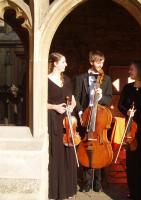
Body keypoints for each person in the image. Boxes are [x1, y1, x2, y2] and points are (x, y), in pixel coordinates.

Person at [74, 50, 112, 192]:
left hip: (99, 119)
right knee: (86, 149)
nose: (100, 64)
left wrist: (101, 97)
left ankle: (98, 183)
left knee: (99, 150)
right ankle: (86, 183)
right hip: (86, 116)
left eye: (102, 61)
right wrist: (79, 112)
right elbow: (76, 97)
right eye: (98, 61)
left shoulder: (106, 79)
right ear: (91, 62)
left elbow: (109, 98)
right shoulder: (80, 78)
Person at [118, 61, 141, 200]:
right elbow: (120, 105)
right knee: (131, 162)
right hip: (131, 130)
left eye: (132, 69)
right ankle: (132, 192)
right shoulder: (127, 88)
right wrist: (127, 111)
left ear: (140, 71)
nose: (129, 72)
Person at [47, 52, 77, 199]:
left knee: (68, 154)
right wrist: (54, 107)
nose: (66, 64)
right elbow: (38, 103)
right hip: (53, 120)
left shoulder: (67, 80)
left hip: (67, 121)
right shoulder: (45, 81)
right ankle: (56, 191)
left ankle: (68, 190)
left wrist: (72, 107)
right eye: (63, 62)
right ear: (55, 63)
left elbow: (74, 100)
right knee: (56, 153)